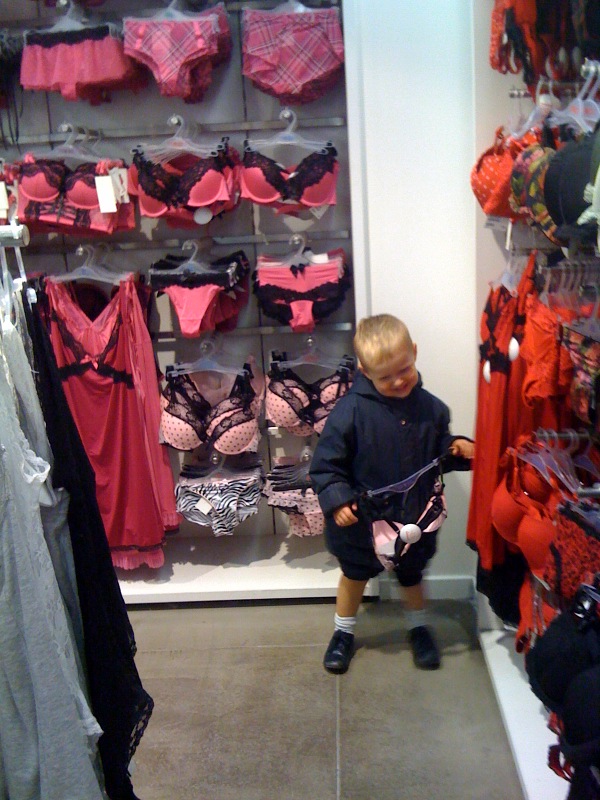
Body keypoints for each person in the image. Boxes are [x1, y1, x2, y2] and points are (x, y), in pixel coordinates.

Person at [309, 314, 475, 674]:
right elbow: (326, 464)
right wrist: (337, 499)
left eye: (404, 369)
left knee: (412, 574)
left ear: (414, 352)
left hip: (415, 514)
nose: (399, 381)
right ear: (365, 371)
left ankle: (418, 627)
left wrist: (456, 448)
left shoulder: (432, 409)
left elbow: (436, 454)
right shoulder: (349, 412)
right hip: (362, 521)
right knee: (354, 574)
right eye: (385, 377)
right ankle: (342, 632)